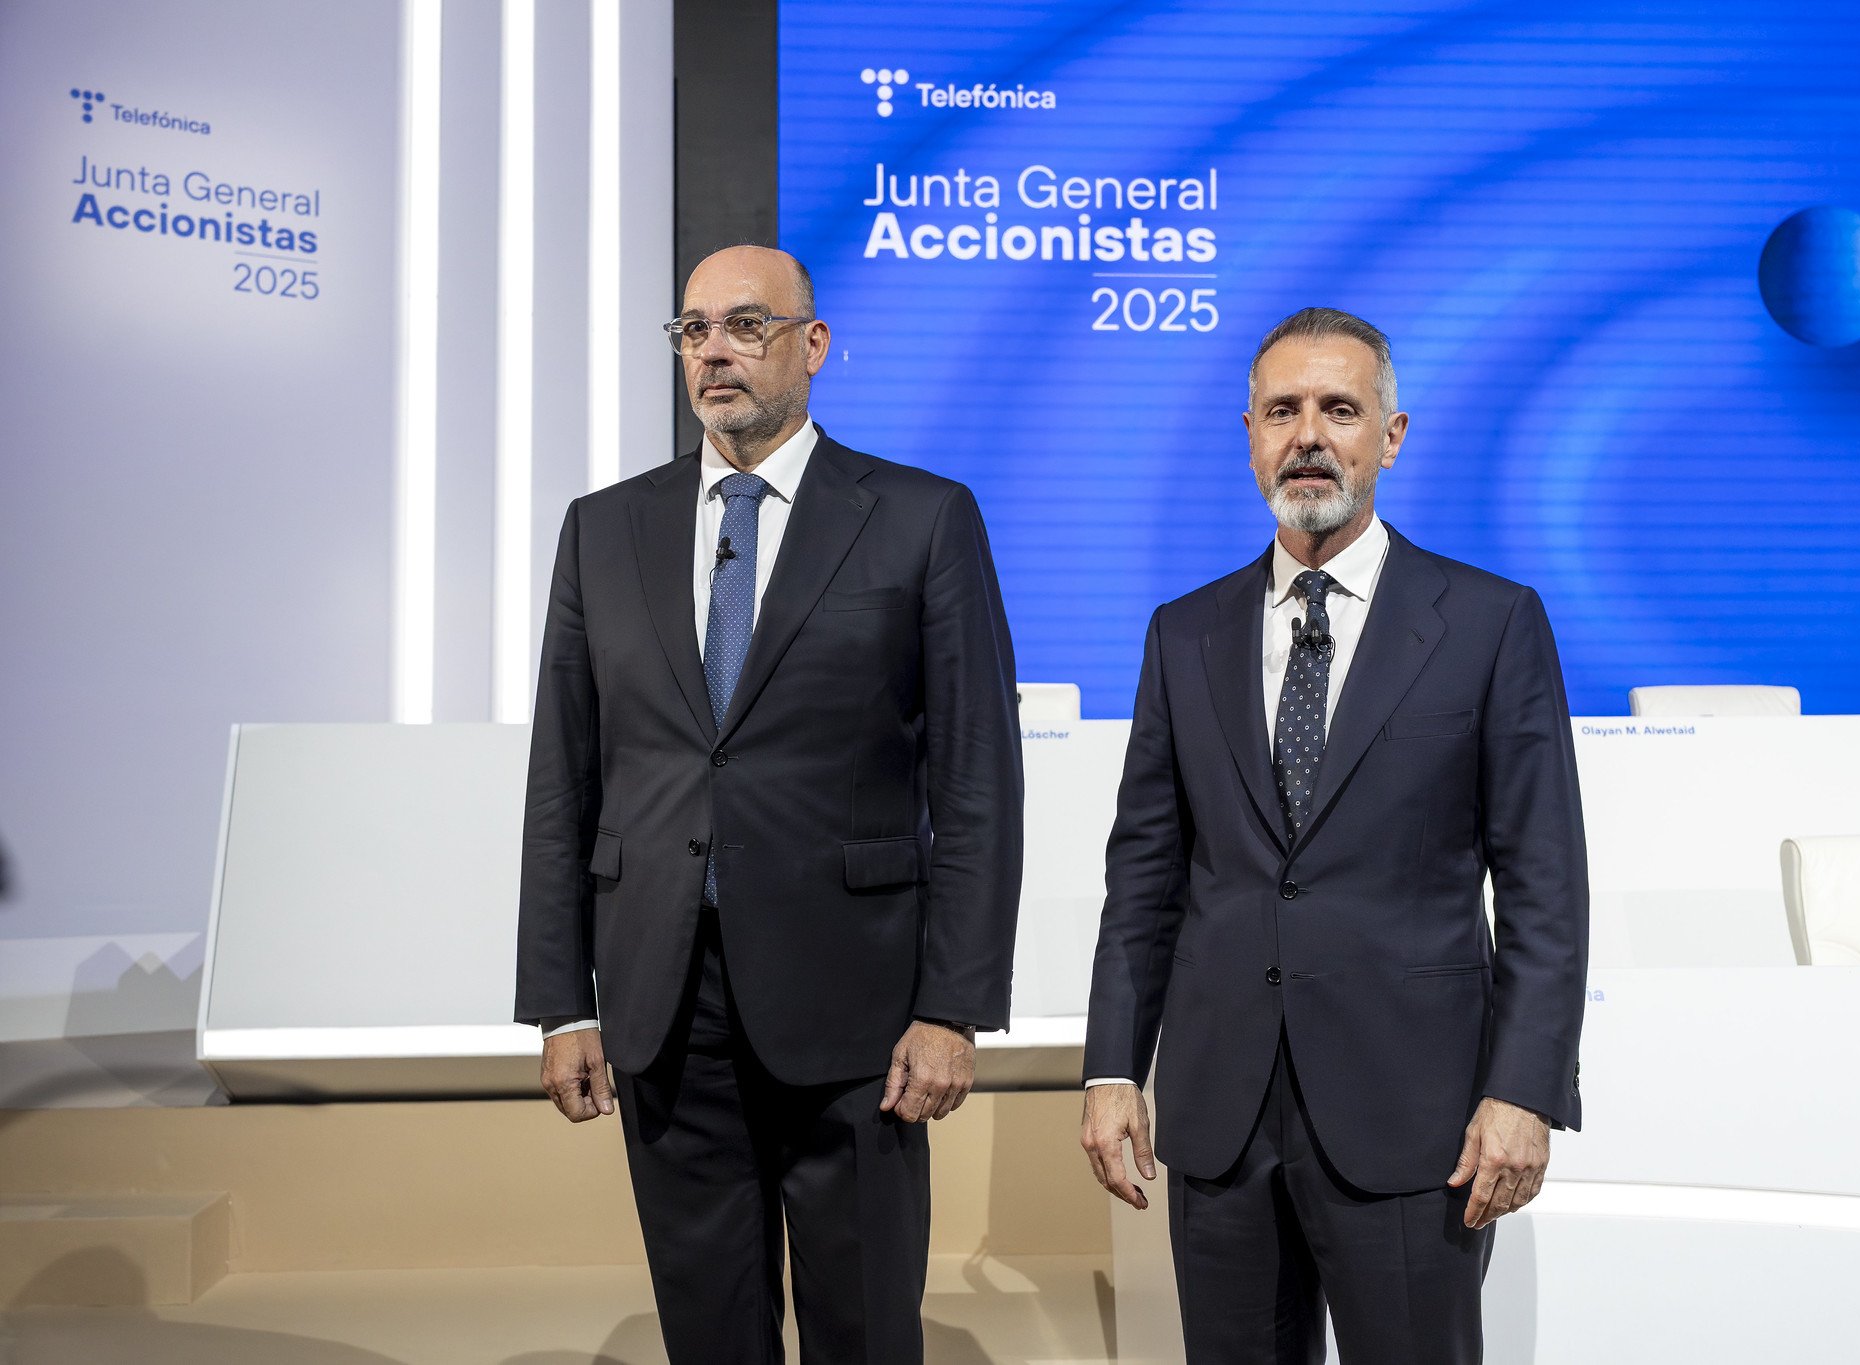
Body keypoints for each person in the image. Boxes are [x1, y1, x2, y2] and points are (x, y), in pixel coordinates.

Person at [514, 245, 1024, 1363]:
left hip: (861, 1007)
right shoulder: (605, 528)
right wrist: (561, 1001)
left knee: (863, 1329)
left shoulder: (920, 517)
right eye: (692, 330)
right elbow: (566, 775)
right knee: (708, 1330)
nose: (713, 353)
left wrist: (953, 1006)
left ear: (812, 344)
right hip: (660, 997)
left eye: (745, 325)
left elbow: (977, 781)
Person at [1079, 307, 1589, 1363]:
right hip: (1219, 1118)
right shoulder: (1184, 632)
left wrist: (1523, 1091)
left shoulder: (1490, 623)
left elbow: (1542, 886)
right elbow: (1144, 877)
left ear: (1389, 436)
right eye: (1282, 411)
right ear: (1251, 432)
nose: (1307, 435)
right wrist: (1110, 1069)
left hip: (1415, 1123)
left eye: (1338, 409)